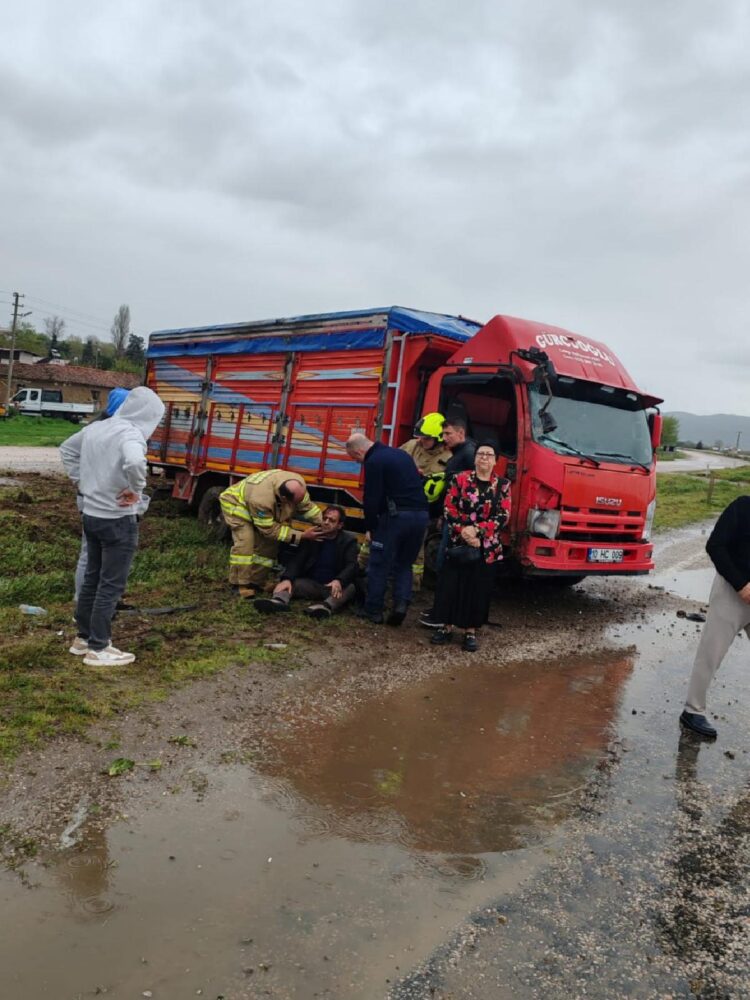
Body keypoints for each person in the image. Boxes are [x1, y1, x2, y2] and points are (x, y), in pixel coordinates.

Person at [59, 386, 166, 666]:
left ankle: (82, 639)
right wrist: (136, 488)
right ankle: (99, 646)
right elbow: (134, 461)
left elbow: (67, 449)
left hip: (91, 515)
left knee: (92, 579)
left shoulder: (98, 428)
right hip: (117, 521)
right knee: (110, 585)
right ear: (149, 415)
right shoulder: (131, 434)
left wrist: (81, 482)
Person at [430, 440, 511, 652]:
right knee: (451, 585)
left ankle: (470, 631)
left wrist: (478, 531)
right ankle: (445, 627)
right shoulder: (461, 479)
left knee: (477, 589)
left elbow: (503, 516)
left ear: (495, 461)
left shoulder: (503, 485)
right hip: (459, 541)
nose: (484, 458)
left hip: (486, 548)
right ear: (475, 458)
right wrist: (465, 532)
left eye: (489, 455)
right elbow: (449, 508)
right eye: (480, 454)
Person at [680, 495, 750, 739]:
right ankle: (693, 710)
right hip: (732, 593)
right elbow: (715, 546)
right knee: (711, 653)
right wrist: (741, 585)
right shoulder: (742, 507)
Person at [345, 432, 429, 625]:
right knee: (404, 563)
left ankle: (373, 610)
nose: (358, 462)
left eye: (355, 458)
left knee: (379, 564)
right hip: (420, 516)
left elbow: (372, 498)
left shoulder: (374, 461)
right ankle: (400, 605)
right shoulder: (401, 454)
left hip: (396, 517)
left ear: (359, 450)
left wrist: (371, 527)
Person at [219, 470, 322, 598]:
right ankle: (239, 585)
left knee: (269, 546)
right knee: (245, 543)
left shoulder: (297, 485)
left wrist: (323, 522)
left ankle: (256, 582)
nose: (297, 505)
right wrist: (302, 536)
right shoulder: (261, 500)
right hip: (237, 506)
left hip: (258, 505)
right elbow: (269, 530)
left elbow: (307, 507)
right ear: (284, 498)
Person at [73, 387, 131, 602]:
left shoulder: (107, 428)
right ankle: (85, 601)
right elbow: (68, 451)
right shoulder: (101, 429)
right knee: (91, 553)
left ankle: (100, 600)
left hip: (101, 497)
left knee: (103, 554)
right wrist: (79, 481)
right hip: (98, 499)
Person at [420, 415, 477, 628]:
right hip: (453, 519)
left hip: (458, 523)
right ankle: (441, 611)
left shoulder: (468, 455)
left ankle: (443, 615)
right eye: (442, 434)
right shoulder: (462, 453)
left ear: (461, 433)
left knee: (448, 568)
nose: (444, 438)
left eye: (448, 434)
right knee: (446, 567)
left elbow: (466, 492)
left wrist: (450, 517)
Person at [254, 504, 358, 618]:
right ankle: (278, 602)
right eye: (325, 518)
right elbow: (298, 560)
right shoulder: (313, 536)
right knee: (290, 582)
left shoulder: (349, 541)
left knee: (350, 588)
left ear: (340, 525)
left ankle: (324, 608)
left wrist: (339, 580)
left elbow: (351, 565)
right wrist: (287, 578)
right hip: (311, 583)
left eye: (332, 520)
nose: (326, 522)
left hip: (333, 586)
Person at [400, 412, 452, 591]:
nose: (422, 441)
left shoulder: (448, 459)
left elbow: (447, 490)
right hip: (402, 504)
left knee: (416, 550)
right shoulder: (412, 446)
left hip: (425, 510)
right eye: (420, 437)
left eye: (426, 438)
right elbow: (394, 461)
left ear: (438, 439)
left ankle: (412, 586)